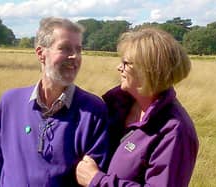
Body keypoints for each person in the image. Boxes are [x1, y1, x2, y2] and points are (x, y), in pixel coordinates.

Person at [0, 17, 109, 187]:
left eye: (79, 50)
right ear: (41, 54)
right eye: (64, 48)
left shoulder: (93, 111)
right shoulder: (10, 103)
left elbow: (93, 179)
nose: (74, 56)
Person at [76, 27, 199, 187]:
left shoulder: (174, 130)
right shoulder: (115, 105)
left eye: (126, 63)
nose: (119, 68)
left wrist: (97, 181)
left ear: (148, 70)